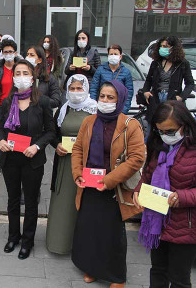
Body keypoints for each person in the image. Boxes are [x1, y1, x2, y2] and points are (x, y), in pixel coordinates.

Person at [71, 80, 145, 287]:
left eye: (110, 97)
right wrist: (77, 173)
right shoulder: (89, 122)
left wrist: (110, 180)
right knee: (89, 229)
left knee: (112, 233)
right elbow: (78, 149)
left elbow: (137, 158)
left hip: (114, 187)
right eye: (102, 96)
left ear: (119, 99)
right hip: (89, 184)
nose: (104, 101)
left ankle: (116, 276)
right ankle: (92, 268)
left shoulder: (130, 125)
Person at [133, 101, 196, 288]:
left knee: (179, 278)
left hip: (184, 225)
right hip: (157, 222)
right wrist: (138, 191)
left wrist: (182, 197)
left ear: (184, 126)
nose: (165, 136)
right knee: (158, 270)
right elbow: (147, 174)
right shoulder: (157, 144)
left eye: (170, 131)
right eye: (160, 131)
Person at [0, 60, 55, 260]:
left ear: (32, 77)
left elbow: (50, 131)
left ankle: (28, 241)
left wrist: (37, 146)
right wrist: (2, 141)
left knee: (30, 202)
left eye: (25, 72)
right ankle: (13, 236)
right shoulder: (7, 101)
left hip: (32, 160)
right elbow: (0, 128)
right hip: (11, 159)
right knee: (13, 200)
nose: (21, 76)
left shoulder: (43, 102)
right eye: (18, 73)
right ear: (13, 77)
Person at [46, 74, 97, 255]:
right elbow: (53, 131)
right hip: (64, 163)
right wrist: (56, 144)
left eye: (79, 88)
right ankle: (59, 242)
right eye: (72, 88)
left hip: (86, 163)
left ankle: (82, 247)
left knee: (84, 202)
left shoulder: (95, 110)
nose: (76, 92)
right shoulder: (64, 109)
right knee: (63, 203)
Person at [142, 36, 194, 131]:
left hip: (172, 98)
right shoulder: (156, 63)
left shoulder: (182, 64)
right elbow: (148, 80)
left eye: (166, 46)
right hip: (156, 98)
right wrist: (145, 91)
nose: (163, 48)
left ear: (173, 48)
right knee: (152, 129)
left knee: (172, 127)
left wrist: (181, 97)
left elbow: (190, 83)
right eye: (161, 46)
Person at [0, 38, 20, 177]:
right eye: (5, 52)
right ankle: (0, 163)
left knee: (16, 134)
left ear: (15, 52)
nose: (8, 54)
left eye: (10, 51)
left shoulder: (21, 67)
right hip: (1, 106)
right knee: (0, 135)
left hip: (18, 105)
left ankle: (15, 159)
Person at [90, 44, 134, 114]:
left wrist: (123, 111)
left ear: (120, 56)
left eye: (115, 54)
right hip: (102, 107)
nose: (113, 56)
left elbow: (129, 93)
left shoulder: (126, 72)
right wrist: (94, 106)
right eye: (111, 54)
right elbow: (93, 88)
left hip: (118, 109)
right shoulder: (100, 70)